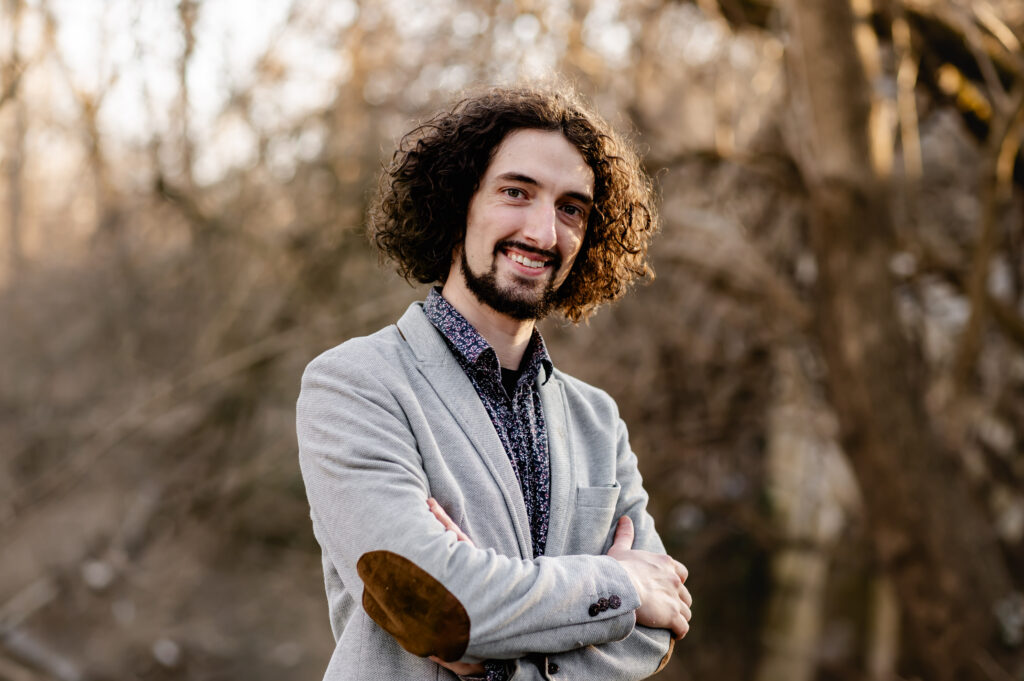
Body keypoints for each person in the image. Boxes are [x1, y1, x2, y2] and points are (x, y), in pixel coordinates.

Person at [297, 84, 692, 681]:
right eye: (516, 192)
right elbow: (434, 605)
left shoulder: (598, 420)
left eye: (571, 208)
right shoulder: (353, 385)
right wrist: (620, 583)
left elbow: (656, 629)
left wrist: (492, 663)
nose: (542, 232)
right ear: (459, 202)